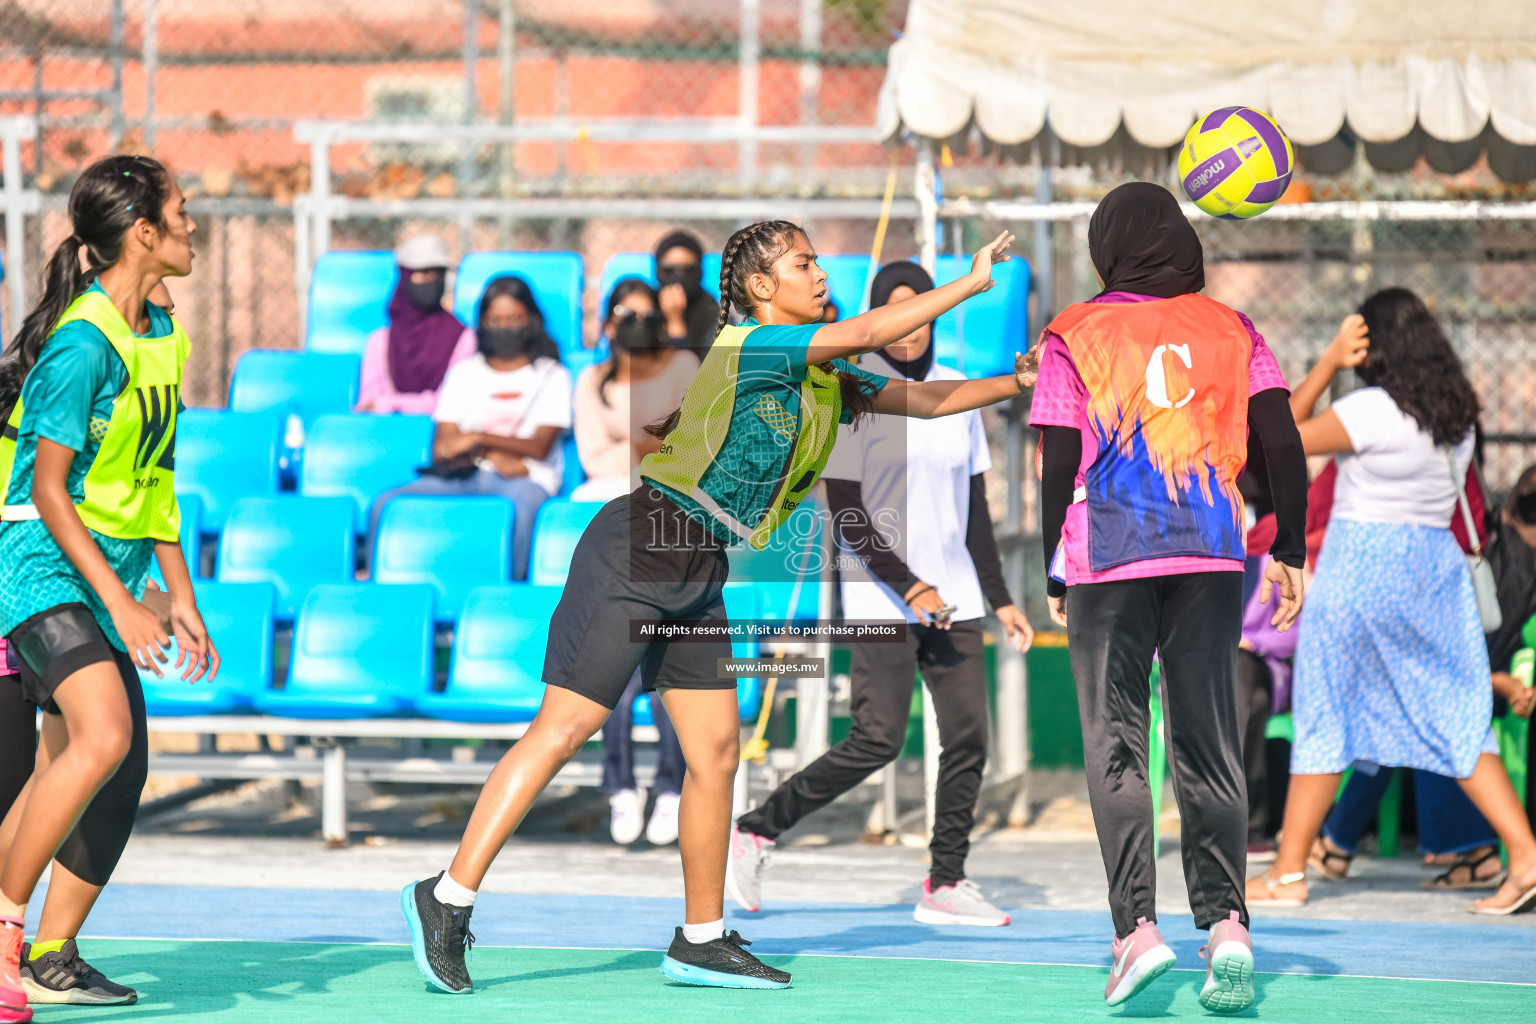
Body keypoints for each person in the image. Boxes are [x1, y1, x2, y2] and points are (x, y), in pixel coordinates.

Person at [400, 218, 1031, 994]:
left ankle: (700, 939)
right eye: (803, 264)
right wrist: (968, 283)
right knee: (564, 730)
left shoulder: (826, 375)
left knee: (717, 754)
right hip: (640, 545)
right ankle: (446, 898)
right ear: (763, 287)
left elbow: (930, 400)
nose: (819, 273)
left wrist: (1022, 381)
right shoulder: (752, 345)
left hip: (699, 565)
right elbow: (870, 327)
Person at [1031, 182, 1308, 1012]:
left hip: (1111, 556)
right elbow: (1282, 439)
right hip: (1215, 553)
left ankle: (1137, 932)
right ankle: (1226, 924)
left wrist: (1052, 562)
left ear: (1104, 245)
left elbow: (1056, 457)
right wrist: (1289, 547)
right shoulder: (1231, 325)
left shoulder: (1075, 331)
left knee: (1117, 741)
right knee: (1207, 740)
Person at [726, 260, 1034, 927]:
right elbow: (850, 516)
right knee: (877, 738)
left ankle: (945, 883)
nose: (911, 326)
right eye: (897, 311)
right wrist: (910, 586)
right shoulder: (852, 393)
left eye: (921, 308)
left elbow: (975, 506)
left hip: (954, 596)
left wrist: (1001, 596)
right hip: (879, 596)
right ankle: (755, 829)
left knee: (968, 737)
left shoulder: (959, 391)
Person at [0, 155, 219, 1022]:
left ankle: (52, 953)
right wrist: (123, 603)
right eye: (183, 212)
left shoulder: (160, 332)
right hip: (44, 568)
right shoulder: (82, 345)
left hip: (112, 574)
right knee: (102, 734)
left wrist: (180, 593)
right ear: (144, 233)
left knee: (111, 764)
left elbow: (154, 478)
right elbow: (48, 489)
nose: (194, 225)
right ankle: (6, 935)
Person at [1246, 289, 1536, 917]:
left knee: (1326, 716)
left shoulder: (1371, 410)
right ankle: (1525, 854)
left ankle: (1290, 872)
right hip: (1435, 573)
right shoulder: (1455, 416)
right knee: (1461, 719)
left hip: (1363, 569)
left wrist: (1326, 362)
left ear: (1373, 346)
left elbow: (1286, 430)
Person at [573, 278, 699, 844]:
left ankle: (672, 787)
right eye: (625, 314)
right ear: (606, 324)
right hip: (613, 524)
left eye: (646, 315)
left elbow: (690, 444)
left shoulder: (681, 367)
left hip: (670, 521)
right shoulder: (592, 380)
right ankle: (621, 785)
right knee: (613, 664)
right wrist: (649, 449)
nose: (635, 324)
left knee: (669, 661)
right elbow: (591, 456)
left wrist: (641, 452)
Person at [370, 275, 570, 581]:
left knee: (526, 505)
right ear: (483, 323)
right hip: (464, 474)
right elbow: (442, 448)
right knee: (384, 503)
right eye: (495, 320)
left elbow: (538, 447)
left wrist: (475, 438)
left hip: (527, 478)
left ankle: (511, 591)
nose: (505, 327)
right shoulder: (464, 373)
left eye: (515, 318)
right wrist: (490, 452)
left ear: (531, 320)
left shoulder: (553, 375)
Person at [356, 234, 476, 415]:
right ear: (405, 277)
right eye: (424, 273)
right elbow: (367, 403)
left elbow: (453, 401)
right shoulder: (380, 341)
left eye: (439, 274)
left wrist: (388, 405)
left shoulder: (462, 337)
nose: (433, 281)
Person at [654, 230, 719, 361]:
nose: (679, 276)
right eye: (668, 269)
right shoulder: (647, 305)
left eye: (689, 269)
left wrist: (675, 323)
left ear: (700, 271)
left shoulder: (715, 315)